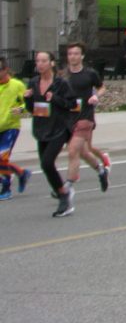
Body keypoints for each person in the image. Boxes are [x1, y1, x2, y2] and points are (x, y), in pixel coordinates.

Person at [24, 51, 74, 216]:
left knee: (46, 163)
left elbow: (72, 104)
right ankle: (62, 193)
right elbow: (32, 109)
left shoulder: (61, 83)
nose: (40, 64)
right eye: (38, 61)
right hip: (41, 128)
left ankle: (63, 197)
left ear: (52, 63)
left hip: (59, 128)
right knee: (46, 166)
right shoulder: (33, 82)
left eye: (44, 61)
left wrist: (55, 99)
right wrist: (27, 99)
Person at [63, 42, 109, 195]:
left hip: (85, 117)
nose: (73, 57)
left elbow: (102, 87)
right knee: (83, 152)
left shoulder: (90, 74)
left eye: (76, 53)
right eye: (70, 54)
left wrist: (96, 96)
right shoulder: (63, 75)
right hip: (69, 117)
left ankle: (67, 186)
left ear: (82, 56)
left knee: (72, 151)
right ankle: (101, 170)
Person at [0, 57, 30, 200]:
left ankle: (6, 190)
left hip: (10, 127)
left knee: (2, 159)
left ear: (6, 69)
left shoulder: (17, 85)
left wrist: (21, 108)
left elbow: (28, 102)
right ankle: (21, 173)